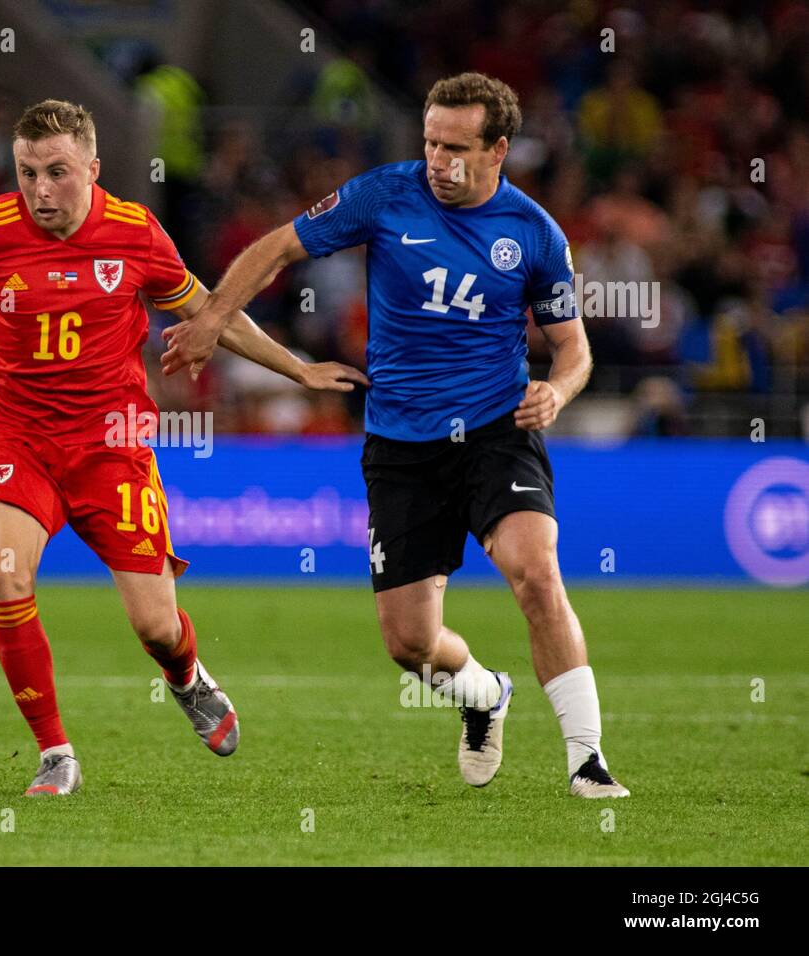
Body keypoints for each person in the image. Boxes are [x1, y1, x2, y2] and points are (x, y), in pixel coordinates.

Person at [162, 74, 629, 799]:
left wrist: (556, 391)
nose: (438, 161)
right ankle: (482, 696)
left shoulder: (534, 232)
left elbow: (574, 349)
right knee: (410, 645)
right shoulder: (384, 195)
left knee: (536, 573)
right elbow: (277, 248)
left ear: (499, 149)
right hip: (401, 445)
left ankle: (587, 759)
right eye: (430, 143)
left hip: (496, 431)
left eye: (456, 148)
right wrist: (215, 319)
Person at [0, 99, 367, 796]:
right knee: (7, 576)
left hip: (113, 451)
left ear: (93, 168)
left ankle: (186, 677)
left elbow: (207, 311)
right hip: (20, 442)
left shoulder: (134, 233)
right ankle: (56, 754)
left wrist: (297, 369)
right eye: (26, 173)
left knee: (157, 625)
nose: (41, 190)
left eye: (57, 172)